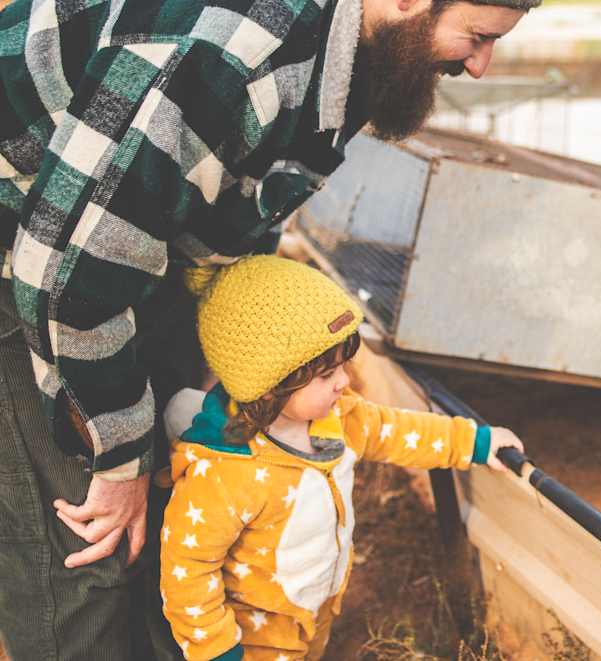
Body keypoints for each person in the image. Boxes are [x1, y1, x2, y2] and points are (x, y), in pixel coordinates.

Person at [0, 0, 545, 659]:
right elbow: (68, 276)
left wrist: (203, 379)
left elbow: (217, 222)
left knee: (170, 487)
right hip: (28, 254)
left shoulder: (360, 46)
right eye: (475, 34)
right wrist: (116, 453)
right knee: (89, 547)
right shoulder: (231, 55)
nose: (479, 62)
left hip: (101, 246)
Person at [155, 256, 522, 661]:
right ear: (269, 387)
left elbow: (396, 430)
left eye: (343, 367)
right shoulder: (225, 473)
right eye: (327, 376)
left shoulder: (337, 420)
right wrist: (217, 650)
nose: (345, 382)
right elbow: (187, 570)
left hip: (318, 609)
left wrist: (474, 443)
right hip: (256, 637)